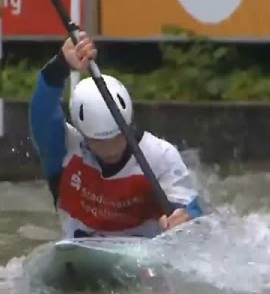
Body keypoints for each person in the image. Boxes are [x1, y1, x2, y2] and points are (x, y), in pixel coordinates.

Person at [29, 32, 204, 239]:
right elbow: (42, 113)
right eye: (99, 141)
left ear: (128, 125)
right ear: (84, 135)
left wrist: (183, 218)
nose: (110, 149)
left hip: (145, 252)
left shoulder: (160, 156)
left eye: (117, 137)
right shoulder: (65, 150)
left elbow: (192, 211)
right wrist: (60, 64)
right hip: (81, 249)